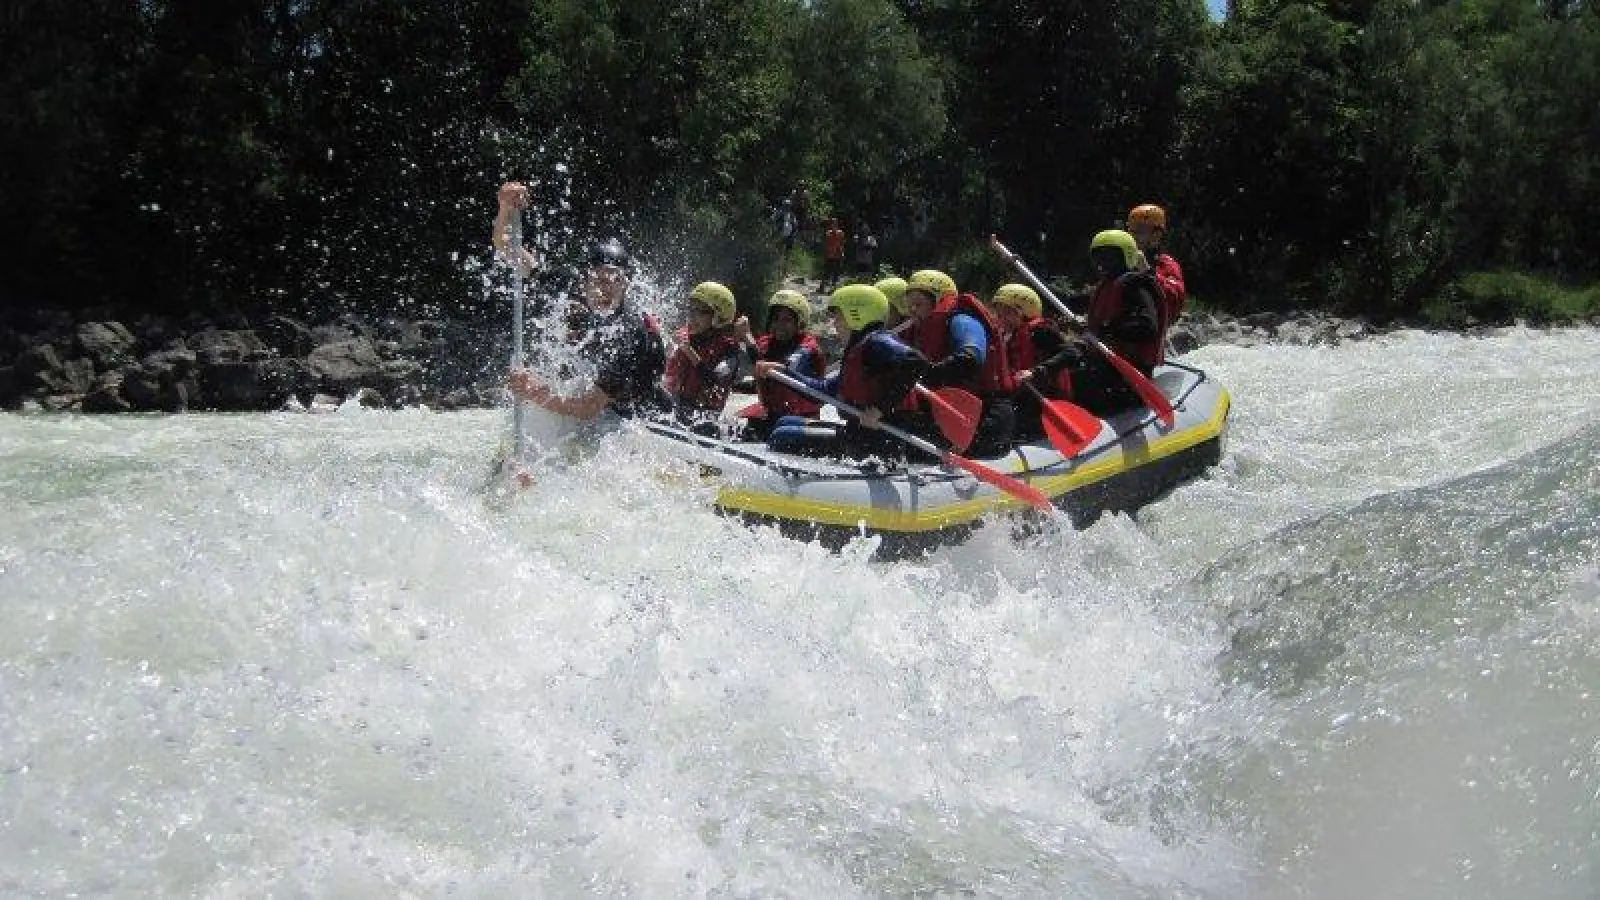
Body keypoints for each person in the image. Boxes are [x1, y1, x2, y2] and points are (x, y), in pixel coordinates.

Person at [494, 182, 669, 422]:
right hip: (603, 407)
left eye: (613, 279)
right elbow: (509, 250)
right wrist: (505, 206)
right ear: (584, 280)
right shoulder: (572, 291)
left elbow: (588, 408)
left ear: (626, 284)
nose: (603, 288)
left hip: (643, 417)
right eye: (597, 278)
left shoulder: (630, 332)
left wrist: (532, 391)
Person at [755, 284, 928, 460]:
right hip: (860, 432)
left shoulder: (876, 341)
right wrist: (784, 372)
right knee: (784, 423)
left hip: (880, 441)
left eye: (838, 318)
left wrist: (879, 410)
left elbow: (915, 362)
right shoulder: (858, 348)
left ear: (856, 316)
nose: (835, 324)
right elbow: (822, 390)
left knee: (783, 437)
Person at [1039, 229, 1163, 418]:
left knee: (1081, 382)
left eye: (1109, 257)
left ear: (1126, 256)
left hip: (1128, 373)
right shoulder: (1106, 285)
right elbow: (1073, 301)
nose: (1102, 264)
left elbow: (1147, 326)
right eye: (1098, 258)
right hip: (1104, 365)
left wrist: (1106, 328)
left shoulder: (1135, 285)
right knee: (1063, 374)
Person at [899, 269, 1016, 457]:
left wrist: (927, 373)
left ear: (937, 300)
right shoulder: (918, 330)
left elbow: (971, 358)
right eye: (910, 305)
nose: (912, 310)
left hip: (985, 415)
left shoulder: (962, 319)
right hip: (950, 413)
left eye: (918, 304)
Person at [734, 289, 826, 439]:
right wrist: (739, 338)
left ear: (799, 322)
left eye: (787, 320)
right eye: (776, 319)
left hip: (799, 419)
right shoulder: (766, 342)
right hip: (772, 414)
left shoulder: (808, 347)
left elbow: (783, 370)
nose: (779, 324)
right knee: (731, 425)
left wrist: (748, 339)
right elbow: (759, 365)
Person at [988, 283, 1068, 442]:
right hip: (1025, 399)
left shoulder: (1041, 331)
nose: (1001, 319)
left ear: (1024, 311)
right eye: (999, 313)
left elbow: (1071, 353)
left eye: (1007, 313)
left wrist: (1036, 371)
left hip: (1047, 399)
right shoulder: (1009, 336)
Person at [664, 281, 744, 429]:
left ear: (718, 317)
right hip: (675, 405)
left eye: (701, 311)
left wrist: (689, 352)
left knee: (705, 427)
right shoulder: (682, 337)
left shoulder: (730, 351)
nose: (692, 316)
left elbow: (714, 380)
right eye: (691, 310)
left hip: (704, 417)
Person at [1127, 203, 1188, 358]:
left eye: (1139, 231)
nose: (1133, 236)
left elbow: (1175, 299)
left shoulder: (1166, 264)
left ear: (1156, 235)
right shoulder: (1123, 262)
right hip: (1116, 341)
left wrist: (1148, 272)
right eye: (1131, 230)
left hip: (1145, 351)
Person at [821, 219, 846, 292]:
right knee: (827, 272)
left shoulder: (841, 233)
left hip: (837, 255)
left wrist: (842, 253)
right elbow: (826, 244)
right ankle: (822, 287)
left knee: (836, 273)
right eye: (832, 224)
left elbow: (842, 244)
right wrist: (825, 253)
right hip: (830, 255)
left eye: (834, 224)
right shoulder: (828, 233)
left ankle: (833, 288)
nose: (833, 225)